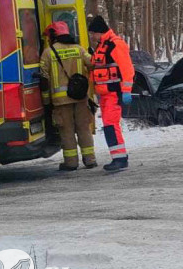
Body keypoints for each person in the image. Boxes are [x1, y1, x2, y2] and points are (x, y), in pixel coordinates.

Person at [40, 21, 96, 171]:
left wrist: (46, 101)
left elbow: (44, 78)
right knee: (84, 128)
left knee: (67, 131)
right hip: (80, 97)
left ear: (54, 36)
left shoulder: (48, 52)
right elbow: (92, 64)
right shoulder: (79, 49)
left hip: (60, 101)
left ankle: (71, 163)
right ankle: (90, 159)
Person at [88, 15, 134, 172]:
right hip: (105, 94)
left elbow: (127, 69)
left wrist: (126, 91)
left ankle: (120, 159)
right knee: (109, 125)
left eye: (92, 33)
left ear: (99, 32)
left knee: (111, 125)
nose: (91, 37)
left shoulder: (115, 45)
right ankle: (119, 157)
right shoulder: (102, 46)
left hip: (113, 93)